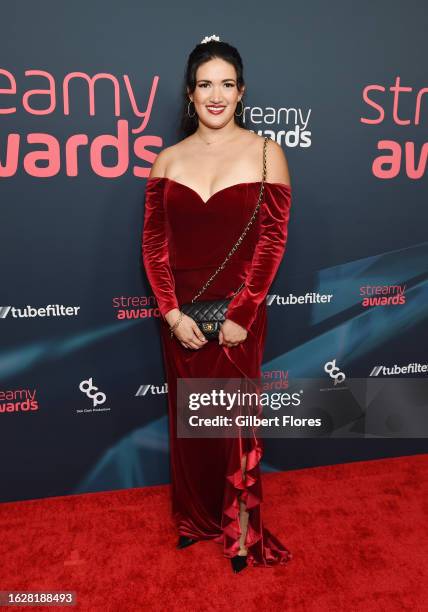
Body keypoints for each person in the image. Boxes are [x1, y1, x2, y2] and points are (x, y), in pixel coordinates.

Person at [142, 35, 293, 573]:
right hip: (182, 318)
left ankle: (240, 531)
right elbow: (154, 246)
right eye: (205, 84)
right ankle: (194, 520)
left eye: (226, 84)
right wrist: (171, 313)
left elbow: (271, 243)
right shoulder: (167, 159)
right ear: (189, 94)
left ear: (241, 91)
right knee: (190, 428)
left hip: (237, 317)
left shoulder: (265, 152)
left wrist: (242, 316)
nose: (215, 95)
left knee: (233, 427)